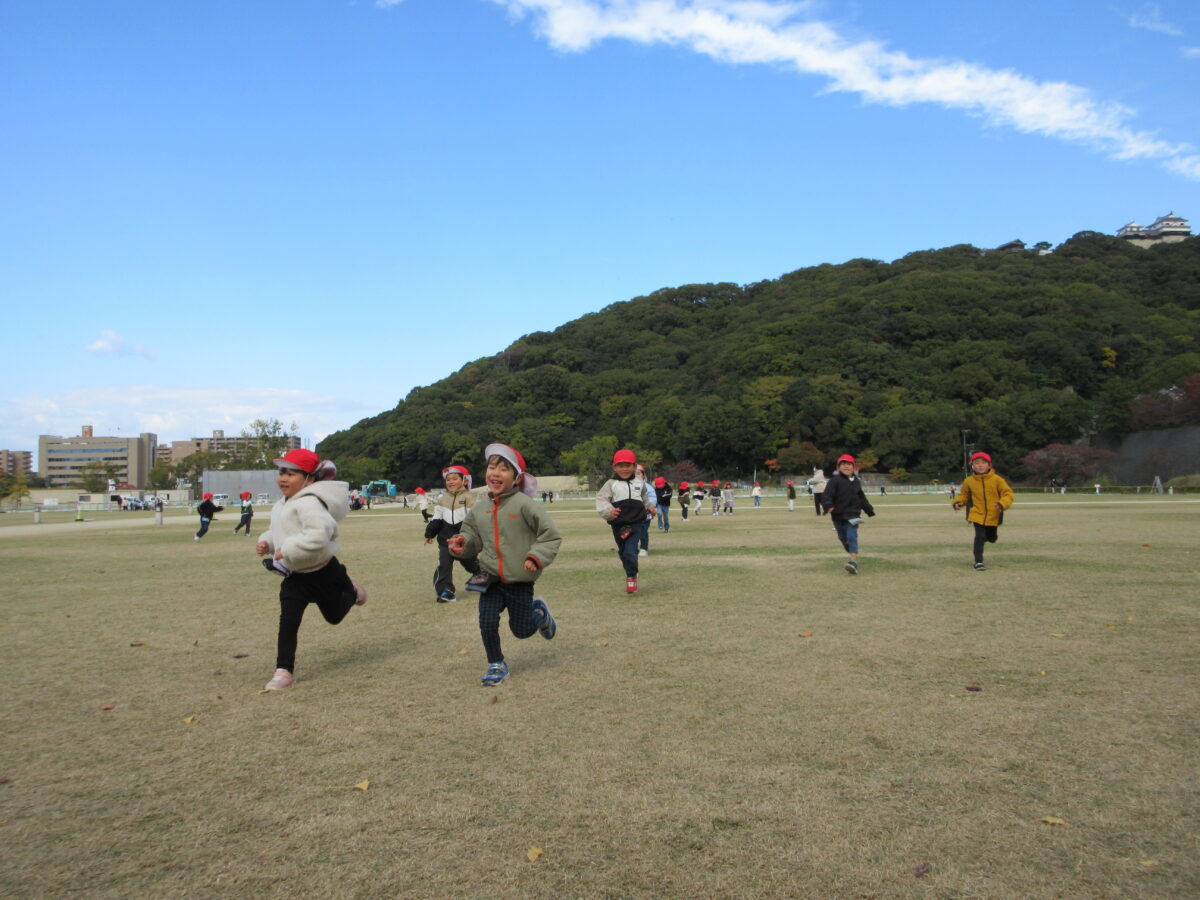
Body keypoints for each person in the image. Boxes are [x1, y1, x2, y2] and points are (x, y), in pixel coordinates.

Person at [448, 443, 560, 686]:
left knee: (522, 630)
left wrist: (535, 557)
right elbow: (471, 535)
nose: (495, 473)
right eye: (492, 467)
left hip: (519, 579)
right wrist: (462, 543)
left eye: (504, 469)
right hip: (489, 577)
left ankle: (539, 613)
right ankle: (496, 663)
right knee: (487, 621)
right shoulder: (480, 508)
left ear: (517, 477)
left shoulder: (524, 504)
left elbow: (550, 536)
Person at [256, 449, 367, 691]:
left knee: (334, 617)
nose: (283, 478)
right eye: (282, 472)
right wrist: (267, 542)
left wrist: (287, 549)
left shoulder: (310, 502)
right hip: (295, 577)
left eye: (291, 474)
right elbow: (280, 531)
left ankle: (351, 590)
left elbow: (319, 535)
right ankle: (284, 670)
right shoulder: (281, 505)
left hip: (324, 572)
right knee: (288, 621)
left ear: (310, 479)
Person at [595, 449, 656, 594]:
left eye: (628, 465)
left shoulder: (639, 482)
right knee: (623, 552)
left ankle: (631, 576)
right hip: (618, 524)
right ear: (614, 467)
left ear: (634, 466)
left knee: (630, 551)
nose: (624, 469)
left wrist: (650, 507)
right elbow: (602, 499)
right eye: (620, 466)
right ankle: (631, 570)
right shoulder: (610, 484)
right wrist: (609, 512)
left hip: (636, 522)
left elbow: (644, 497)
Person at [425, 464, 481, 603]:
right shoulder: (442, 499)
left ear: (465, 481)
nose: (450, 481)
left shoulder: (469, 498)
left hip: (464, 540)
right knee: (444, 564)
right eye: (448, 479)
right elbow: (437, 518)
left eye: (454, 478)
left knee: (470, 564)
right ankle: (446, 591)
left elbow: (476, 520)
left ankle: (481, 576)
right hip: (446, 540)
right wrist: (430, 533)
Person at [952, 451, 1014, 570]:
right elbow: (964, 495)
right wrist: (958, 502)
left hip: (993, 514)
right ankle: (978, 562)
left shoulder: (997, 480)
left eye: (983, 463)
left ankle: (986, 539)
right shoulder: (969, 481)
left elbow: (1008, 494)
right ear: (972, 466)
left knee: (992, 538)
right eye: (977, 463)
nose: (980, 465)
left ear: (989, 465)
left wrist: (1002, 504)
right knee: (979, 537)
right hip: (977, 513)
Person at [821, 454, 876, 575]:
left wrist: (869, 509)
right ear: (838, 467)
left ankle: (853, 563)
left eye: (849, 464)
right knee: (843, 539)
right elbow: (826, 495)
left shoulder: (856, 482)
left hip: (853, 515)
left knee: (851, 536)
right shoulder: (834, 481)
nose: (846, 466)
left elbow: (861, 497)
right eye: (843, 464)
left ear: (853, 467)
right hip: (838, 516)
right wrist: (828, 505)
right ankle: (852, 552)